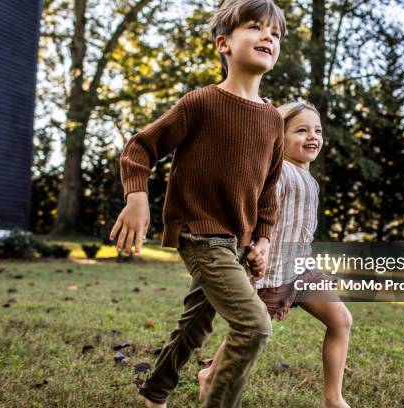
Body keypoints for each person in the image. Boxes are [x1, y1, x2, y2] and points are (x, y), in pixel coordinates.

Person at [109, 1, 287, 407]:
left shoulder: (274, 119)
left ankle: (154, 394)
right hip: (200, 233)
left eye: (274, 34)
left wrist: (262, 240)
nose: (267, 37)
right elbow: (140, 148)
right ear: (223, 43)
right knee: (254, 326)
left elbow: (268, 190)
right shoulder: (201, 103)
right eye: (256, 28)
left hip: (236, 243)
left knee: (195, 326)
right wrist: (137, 197)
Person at [198, 101, 353, 408]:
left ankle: (333, 398)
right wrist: (254, 248)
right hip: (271, 274)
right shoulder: (277, 174)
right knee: (249, 333)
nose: (313, 136)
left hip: (302, 270)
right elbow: (254, 215)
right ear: (279, 136)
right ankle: (211, 374)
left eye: (318, 130)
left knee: (341, 320)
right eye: (302, 130)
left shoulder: (310, 180)